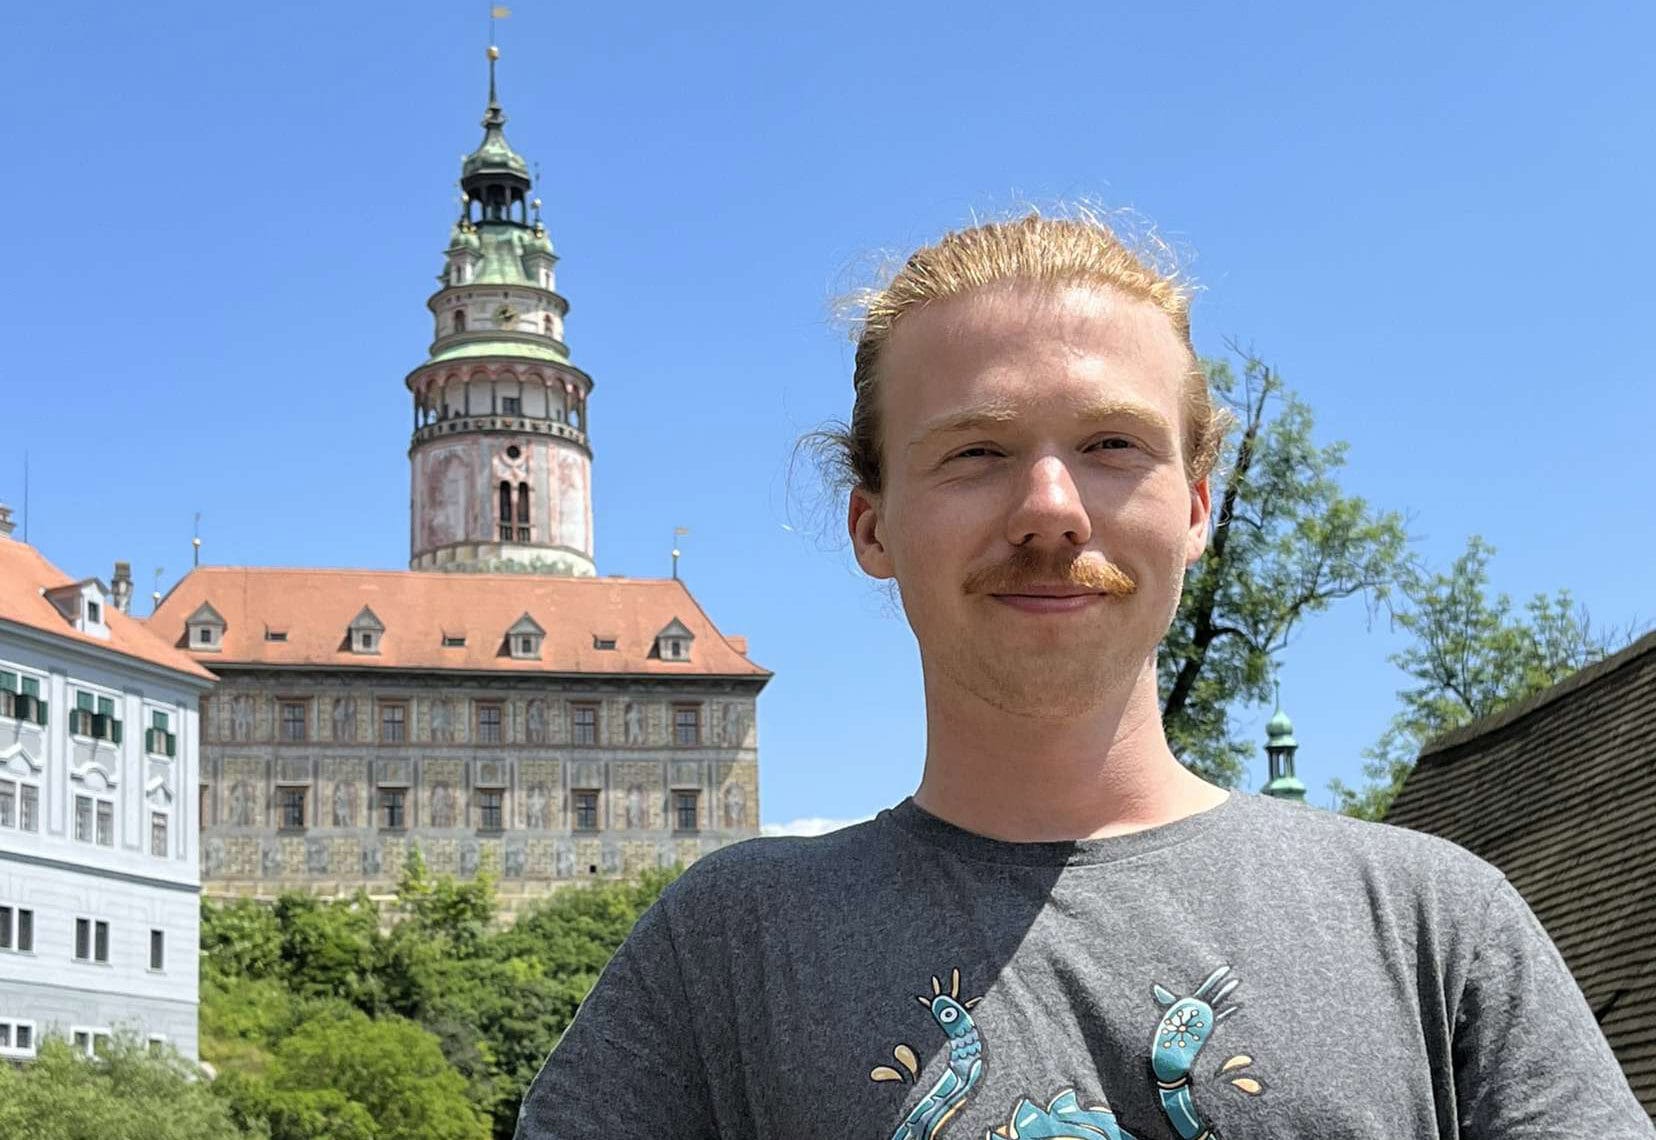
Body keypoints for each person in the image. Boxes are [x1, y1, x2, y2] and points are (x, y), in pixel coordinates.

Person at [515, 213, 1652, 1138]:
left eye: (1113, 446)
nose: (1051, 509)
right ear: (872, 526)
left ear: (1196, 505)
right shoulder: (727, 951)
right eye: (976, 451)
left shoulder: (1434, 925)